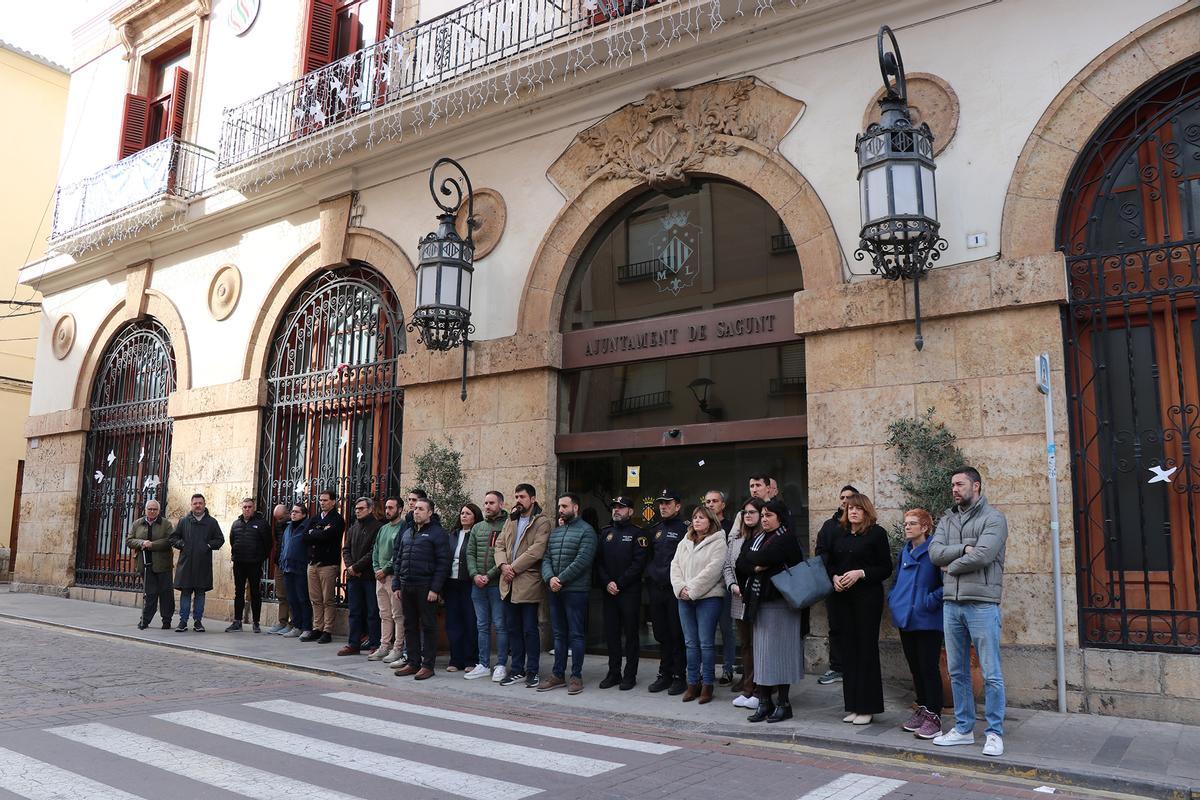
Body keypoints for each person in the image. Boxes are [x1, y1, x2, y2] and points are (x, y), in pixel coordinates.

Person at [929, 466, 1009, 758]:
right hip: (952, 603)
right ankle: (963, 729)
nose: (954, 489)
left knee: (991, 672)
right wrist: (963, 548)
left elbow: (985, 554)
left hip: (982, 604)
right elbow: (933, 553)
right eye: (952, 484)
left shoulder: (994, 518)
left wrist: (951, 566)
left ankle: (994, 733)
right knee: (957, 671)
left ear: (976, 486)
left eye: (960, 484)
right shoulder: (947, 519)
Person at [826, 492, 892, 725]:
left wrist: (861, 573)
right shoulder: (839, 533)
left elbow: (886, 568)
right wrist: (833, 576)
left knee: (865, 651)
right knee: (848, 651)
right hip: (843, 598)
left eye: (858, 508)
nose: (852, 511)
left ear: (866, 511)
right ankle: (853, 705)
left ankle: (868, 707)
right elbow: (830, 561)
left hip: (867, 599)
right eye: (849, 508)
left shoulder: (877, 534)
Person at [738, 498, 804, 723]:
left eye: (769, 516)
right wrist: (755, 564)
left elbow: (764, 557)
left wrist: (754, 561)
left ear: (780, 518)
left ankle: (784, 704)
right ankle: (765, 702)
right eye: (763, 516)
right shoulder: (758, 537)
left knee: (780, 655)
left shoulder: (786, 538)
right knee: (763, 655)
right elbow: (742, 561)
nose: (764, 520)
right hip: (760, 603)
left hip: (781, 604)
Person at [889, 508, 944, 740]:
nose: (907, 527)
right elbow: (896, 581)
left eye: (912, 523)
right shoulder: (905, 551)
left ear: (925, 527)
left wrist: (927, 602)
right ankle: (922, 708)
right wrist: (894, 599)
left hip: (928, 619)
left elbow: (946, 584)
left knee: (928, 667)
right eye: (905, 524)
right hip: (906, 618)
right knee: (915, 668)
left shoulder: (935, 551)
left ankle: (934, 715)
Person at [538, 493, 597, 695]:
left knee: (576, 634)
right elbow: (545, 558)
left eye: (564, 506)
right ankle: (557, 675)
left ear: (576, 508)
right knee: (559, 635)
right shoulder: (555, 533)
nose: (561, 510)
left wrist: (560, 579)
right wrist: (550, 578)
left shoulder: (587, 531)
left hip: (575, 591)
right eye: (559, 506)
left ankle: (576, 676)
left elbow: (583, 561)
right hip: (555, 590)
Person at [494, 484, 552, 688]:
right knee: (513, 629)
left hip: (527, 583)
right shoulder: (511, 520)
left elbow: (537, 550)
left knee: (529, 630)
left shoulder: (542, 522)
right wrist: (503, 565)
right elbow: (499, 545)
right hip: (508, 583)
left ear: (533, 499)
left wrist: (513, 568)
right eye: (516, 496)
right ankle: (516, 669)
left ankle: (533, 671)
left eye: (522, 497)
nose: (518, 500)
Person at [671, 505, 727, 704]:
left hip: (708, 598)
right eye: (695, 517)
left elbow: (713, 571)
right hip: (684, 598)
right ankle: (692, 683)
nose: (696, 521)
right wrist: (681, 589)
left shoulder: (719, 541)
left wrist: (692, 590)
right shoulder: (684, 541)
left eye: (701, 518)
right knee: (690, 644)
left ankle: (707, 685)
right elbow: (675, 566)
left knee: (705, 643)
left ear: (711, 521)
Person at [392, 497, 450, 679]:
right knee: (409, 625)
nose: (416, 511)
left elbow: (443, 563)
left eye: (421, 509)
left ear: (430, 513)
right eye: (415, 508)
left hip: (425, 586)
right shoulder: (408, 532)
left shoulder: (437, 533)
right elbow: (399, 559)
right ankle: (413, 662)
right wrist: (396, 584)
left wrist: (435, 589)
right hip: (407, 585)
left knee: (429, 625)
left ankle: (427, 665)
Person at [596, 495, 648, 690]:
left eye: (621, 507)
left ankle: (630, 674)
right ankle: (613, 672)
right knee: (612, 634)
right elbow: (599, 562)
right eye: (615, 507)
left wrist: (619, 583)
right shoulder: (605, 532)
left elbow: (638, 564)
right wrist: (608, 582)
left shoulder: (638, 534)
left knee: (631, 635)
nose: (616, 510)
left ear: (630, 511)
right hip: (609, 592)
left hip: (629, 592)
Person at [815, 485, 859, 685]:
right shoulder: (828, 526)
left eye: (849, 497)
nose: (845, 500)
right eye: (842, 497)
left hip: (859, 586)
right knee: (836, 627)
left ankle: (856, 667)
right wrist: (833, 576)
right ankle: (837, 668)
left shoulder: (864, 525)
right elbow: (821, 553)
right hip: (835, 584)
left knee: (858, 628)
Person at [646, 488, 688, 695]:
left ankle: (680, 676)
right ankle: (665, 674)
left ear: (677, 506)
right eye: (661, 503)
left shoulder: (685, 529)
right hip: (657, 589)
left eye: (668, 503)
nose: (663, 506)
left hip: (676, 590)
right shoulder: (655, 529)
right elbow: (648, 557)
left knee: (677, 634)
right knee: (661, 634)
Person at [725, 497, 764, 709]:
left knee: (760, 645)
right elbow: (727, 566)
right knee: (746, 645)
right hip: (739, 598)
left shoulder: (765, 537)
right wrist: (732, 585)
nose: (748, 516)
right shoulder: (737, 538)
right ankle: (748, 689)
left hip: (758, 599)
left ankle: (760, 690)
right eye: (745, 512)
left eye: (752, 512)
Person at [465, 490, 508, 681]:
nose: (487, 506)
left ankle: (500, 664)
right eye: (485, 503)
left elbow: (506, 555)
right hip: (478, 585)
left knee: (500, 625)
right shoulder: (477, 527)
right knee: (481, 625)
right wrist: (474, 575)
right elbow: (470, 553)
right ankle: (483, 664)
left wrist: (489, 576)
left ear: (501, 504)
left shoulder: (508, 526)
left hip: (497, 584)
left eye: (491, 503)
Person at [170, 493, 224, 632]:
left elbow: (220, 539)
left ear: (204, 504)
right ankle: (183, 622)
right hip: (186, 564)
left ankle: (198, 622)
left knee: (200, 594)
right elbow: (173, 538)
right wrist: (182, 544)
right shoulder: (183, 521)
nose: (198, 505)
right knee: (186, 593)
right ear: (191, 505)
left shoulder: (212, 522)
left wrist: (208, 546)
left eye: (200, 503)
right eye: (195, 503)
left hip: (203, 565)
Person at [339, 497, 382, 656]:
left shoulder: (378, 527)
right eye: (356, 508)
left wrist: (356, 567)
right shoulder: (353, 528)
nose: (357, 511)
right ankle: (353, 643)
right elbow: (346, 549)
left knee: (372, 611)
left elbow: (373, 551)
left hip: (369, 576)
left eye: (361, 508)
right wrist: (351, 567)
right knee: (355, 611)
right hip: (354, 577)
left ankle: (374, 643)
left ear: (370, 509)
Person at [301, 490, 345, 644]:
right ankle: (317, 627)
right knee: (315, 598)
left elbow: (329, 536)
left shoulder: (337, 519)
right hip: (312, 563)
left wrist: (316, 533)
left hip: (327, 564)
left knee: (328, 599)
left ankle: (327, 630)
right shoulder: (314, 518)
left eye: (325, 500)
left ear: (333, 502)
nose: (322, 503)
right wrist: (318, 532)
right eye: (320, 500)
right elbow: (305, 537)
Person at [444, 503, 482, 673]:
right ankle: (455, 659)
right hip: (451, 583)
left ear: (475, 516)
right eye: (462, 513)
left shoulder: (477, 533)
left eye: (468, 513)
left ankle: (471, 659)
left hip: (469, 583)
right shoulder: (452, 535)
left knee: (470, 622)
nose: (463, 516)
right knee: (453, 622)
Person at [704, 489, 736, 686]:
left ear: (722, 504)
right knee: (705, 632)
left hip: (724, 585)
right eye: (707, 501)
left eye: (714, 501)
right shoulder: (700, 527)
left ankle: (728, 669)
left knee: (726, 629)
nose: (710, 505)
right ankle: (705, 671)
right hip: (704, 587)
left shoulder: (731, 527)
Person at [127, 499, 174, 630]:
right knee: (150, 594)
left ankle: (166, 620)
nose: (152, 511)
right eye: (150, 509)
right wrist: (142, 543)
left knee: (166, 594)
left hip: (163, 564)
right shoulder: (137, 524)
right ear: (145, 510)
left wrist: (153, 545)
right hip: (145, 564)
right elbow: (129, 540)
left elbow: (171, 540)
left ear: (159, 511)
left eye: (155, 509)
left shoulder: (166, 524)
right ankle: (145, 620)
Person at [226, 498, 272, 633]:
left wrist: (260, 558)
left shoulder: (262, 524)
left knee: (255, 593)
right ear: (242, 508)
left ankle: (256, 622)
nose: (247, 509)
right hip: (239, 563)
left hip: (254, 564)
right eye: (245, 507)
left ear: (254, 508)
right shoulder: (236, 524)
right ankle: (237, 621)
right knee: (238, 592)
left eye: (249, 507)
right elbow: (232, 541)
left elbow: (268, 544)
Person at [370, 497, 405, 663]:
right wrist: (377, 568)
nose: (388, 511)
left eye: (391, 508)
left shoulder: (403, 527)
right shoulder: (383, 529)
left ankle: (398, 648)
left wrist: (385, 569)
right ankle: (384, 646)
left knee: (397, 614)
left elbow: (398, 553)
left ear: (400, 509)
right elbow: (375, 550)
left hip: (393, 576)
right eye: (386, 508)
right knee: (384, 614)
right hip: (380, 578)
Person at [278, 502, 312, 639]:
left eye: (297, 512)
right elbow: (283, 546)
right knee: (291, 599)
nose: (293, 514)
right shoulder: (288, 527)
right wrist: (281, 560)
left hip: (300, 568)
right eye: (292, 511)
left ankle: (306, 627)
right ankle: (296, 626)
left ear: (304, 514)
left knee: (302, 598)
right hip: (287, 567)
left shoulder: (306, 526)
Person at [267, 503, 291, 634]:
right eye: (277, 519)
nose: (279, 521)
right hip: (279, 562)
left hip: (290, 564)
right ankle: (282, 621)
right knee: (281, 595)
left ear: (288, 514)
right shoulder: (277, 526)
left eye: (281, 518)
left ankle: (293, 623)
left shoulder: (294, 525)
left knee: (291, 595)